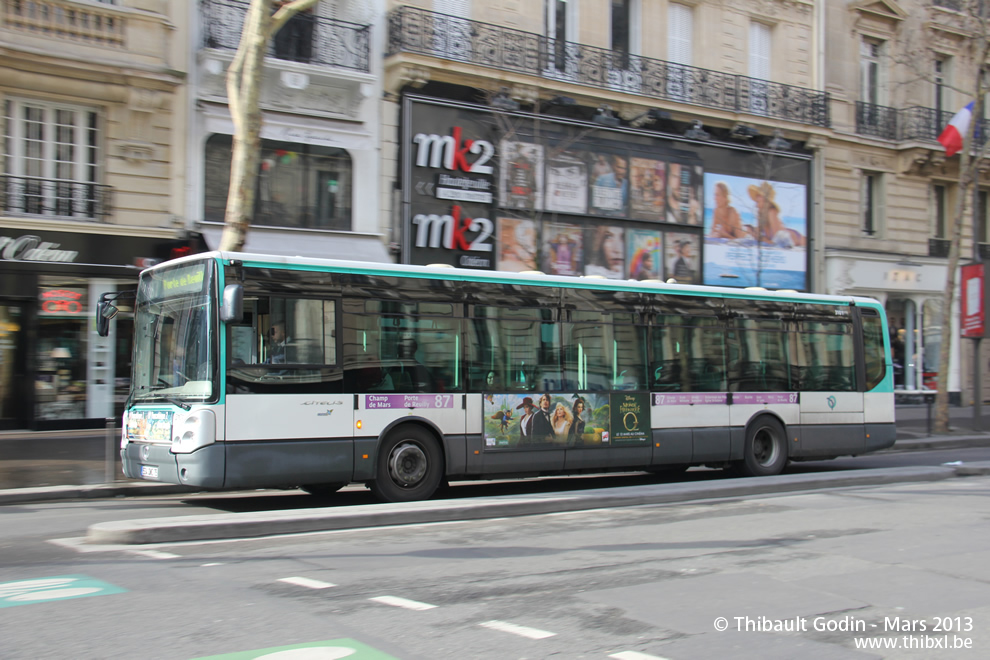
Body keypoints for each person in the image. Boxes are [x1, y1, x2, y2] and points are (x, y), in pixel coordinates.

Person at [747, 182, 806, 248]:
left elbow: (777, 244)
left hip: (796, 238)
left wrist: (761, 238)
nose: (756, 205)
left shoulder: (772, 212)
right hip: (787, 233)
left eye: (758, 202)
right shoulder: (761, 215)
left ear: (765, 200)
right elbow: (758, 234)